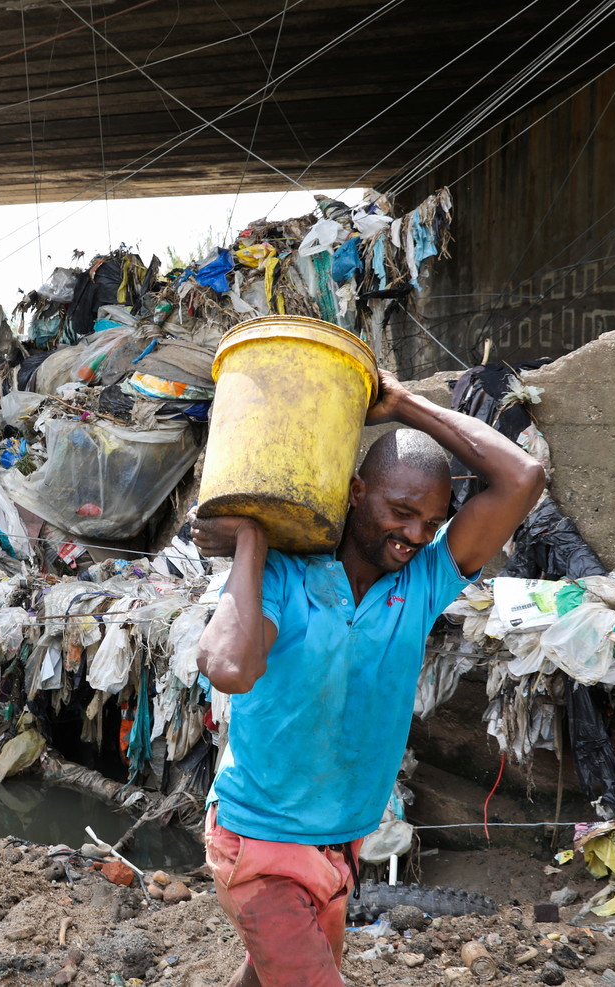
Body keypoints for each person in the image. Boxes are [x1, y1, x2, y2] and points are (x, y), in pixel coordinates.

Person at [192, 370, 545, 987]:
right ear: (355, 492)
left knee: (277, 974)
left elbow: (522, 478)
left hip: (341, 842)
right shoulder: (284, 577)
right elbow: (229, 667)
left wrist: (404, 404)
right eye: (401, 512)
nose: (414, 536)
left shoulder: (420, 586)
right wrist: (251, 537)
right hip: (259, 841)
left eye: (430, 525)